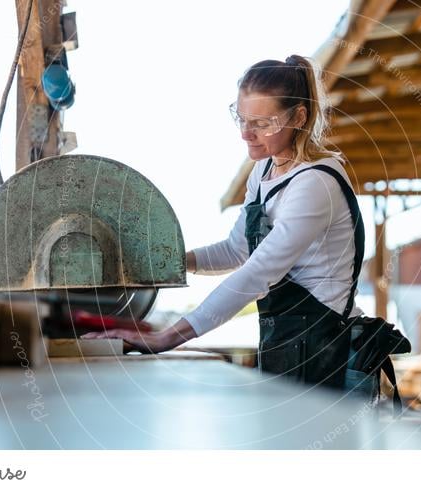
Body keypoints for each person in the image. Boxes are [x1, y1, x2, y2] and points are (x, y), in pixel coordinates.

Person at [82, 54, 364, 391]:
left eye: (262, 123)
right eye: (242, 119)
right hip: (287, 344)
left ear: (299, 117)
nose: (247, 134)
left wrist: (168, 337)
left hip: (330, 350)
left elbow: (258, 271)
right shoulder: (263, 172)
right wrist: (164, 264)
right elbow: (237, 249)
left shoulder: (316, 183)